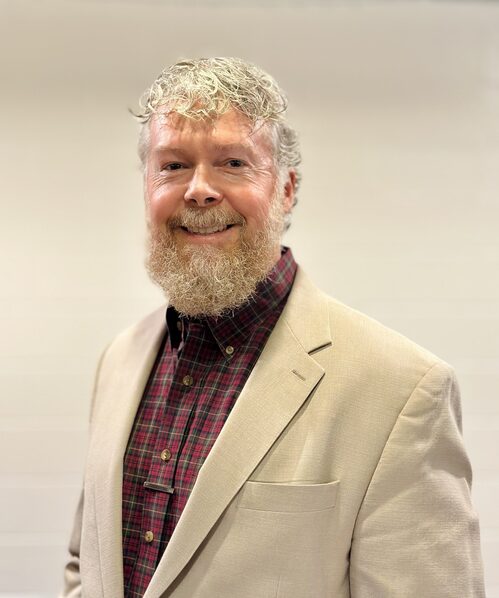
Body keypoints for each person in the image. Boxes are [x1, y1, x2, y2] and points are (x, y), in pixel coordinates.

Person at [60, 57, 485, 598]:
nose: (199, 189)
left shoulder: (401, 391)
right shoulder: (120, 360)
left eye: (233, 163)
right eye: (173, 165)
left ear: (286, 189)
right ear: (147, 186)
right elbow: (86, 564)